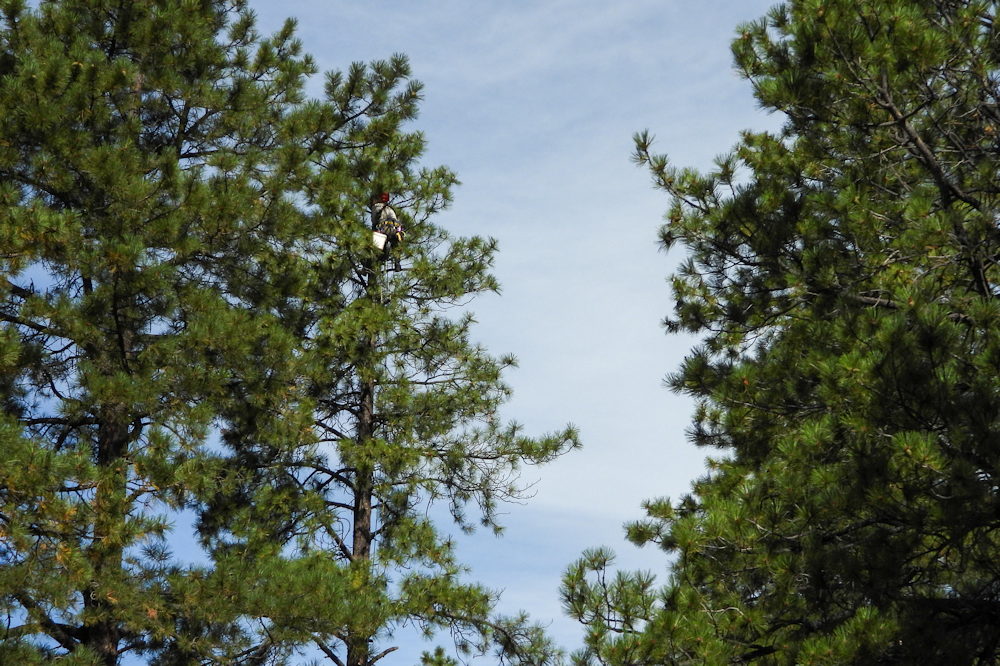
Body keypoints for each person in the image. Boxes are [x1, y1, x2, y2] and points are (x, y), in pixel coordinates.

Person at [370, 192, 404, 270]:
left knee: (375, 249)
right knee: (396, 245)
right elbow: (395, 221)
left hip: (381, 231)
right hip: (393, 230)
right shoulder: (390, 209)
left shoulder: (376, 207)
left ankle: (371, 266)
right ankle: (397, 263)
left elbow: (374, 221)